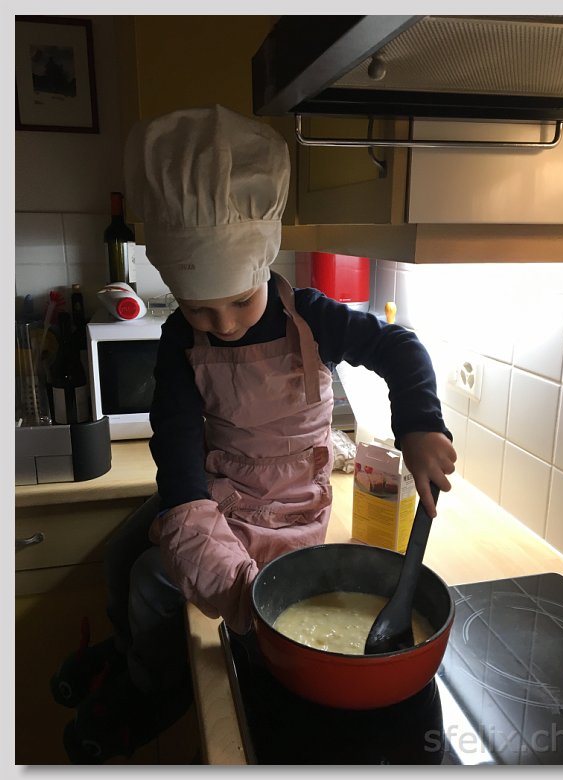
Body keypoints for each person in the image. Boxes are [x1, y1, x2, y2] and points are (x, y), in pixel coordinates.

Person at [50, 105, 457, 763]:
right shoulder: (179, 341)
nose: (225, 324)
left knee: (153, 579)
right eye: (200, 309)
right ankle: (131, 651)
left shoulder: (312, 318)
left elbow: (399, 348)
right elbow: (175, 447)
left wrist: (419, 425)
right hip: (218, 489)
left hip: (285, 510)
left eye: (240, 301)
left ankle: (150, 690)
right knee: (123, 553)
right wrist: (191, 520)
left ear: (265, 263)